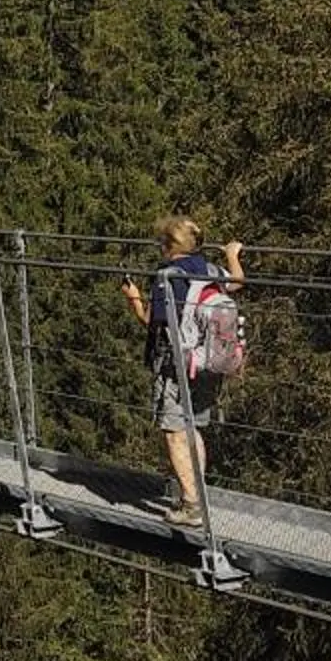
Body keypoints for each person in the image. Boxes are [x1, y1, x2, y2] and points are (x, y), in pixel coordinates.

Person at [121, 216, 246, 530]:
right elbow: (238, 282)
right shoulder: (210, 269)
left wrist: (133, 298)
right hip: (210, 362)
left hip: (177, 364)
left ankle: (191, 505)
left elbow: (152, 320)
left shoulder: (168, 276)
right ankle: (196, 497)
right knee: (193, 429)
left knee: (175, 431)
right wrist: (232, 255)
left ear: (167, 246)